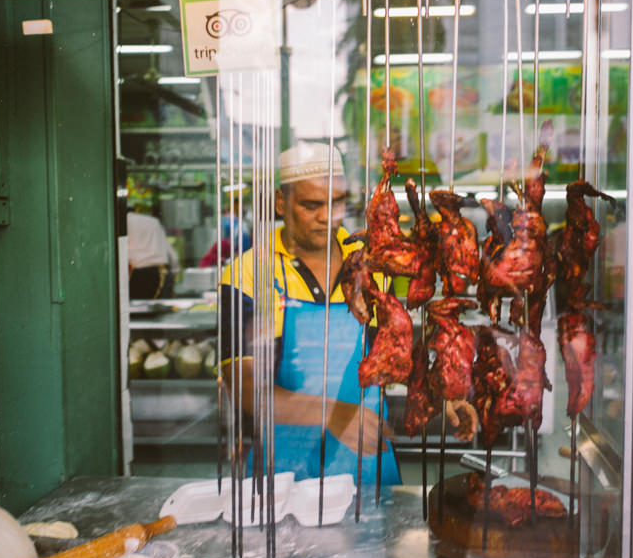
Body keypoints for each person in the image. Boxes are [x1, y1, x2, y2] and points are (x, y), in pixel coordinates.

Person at [220, 142, 476, 484]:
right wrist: (334, 414)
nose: (327, 216)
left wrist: (441, 394)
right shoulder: (249, 274)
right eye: (311, 205)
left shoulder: (373, 262)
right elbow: (244, 385)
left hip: (365, 461)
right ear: (281, 203)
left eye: (336, 202)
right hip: (282, 473)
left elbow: (390, 354)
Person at [127, 209, 180, 299]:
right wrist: (174, 271)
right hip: (160, 271)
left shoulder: (122, 223)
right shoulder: (152, 222)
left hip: (137, 272)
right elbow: (170, 252)